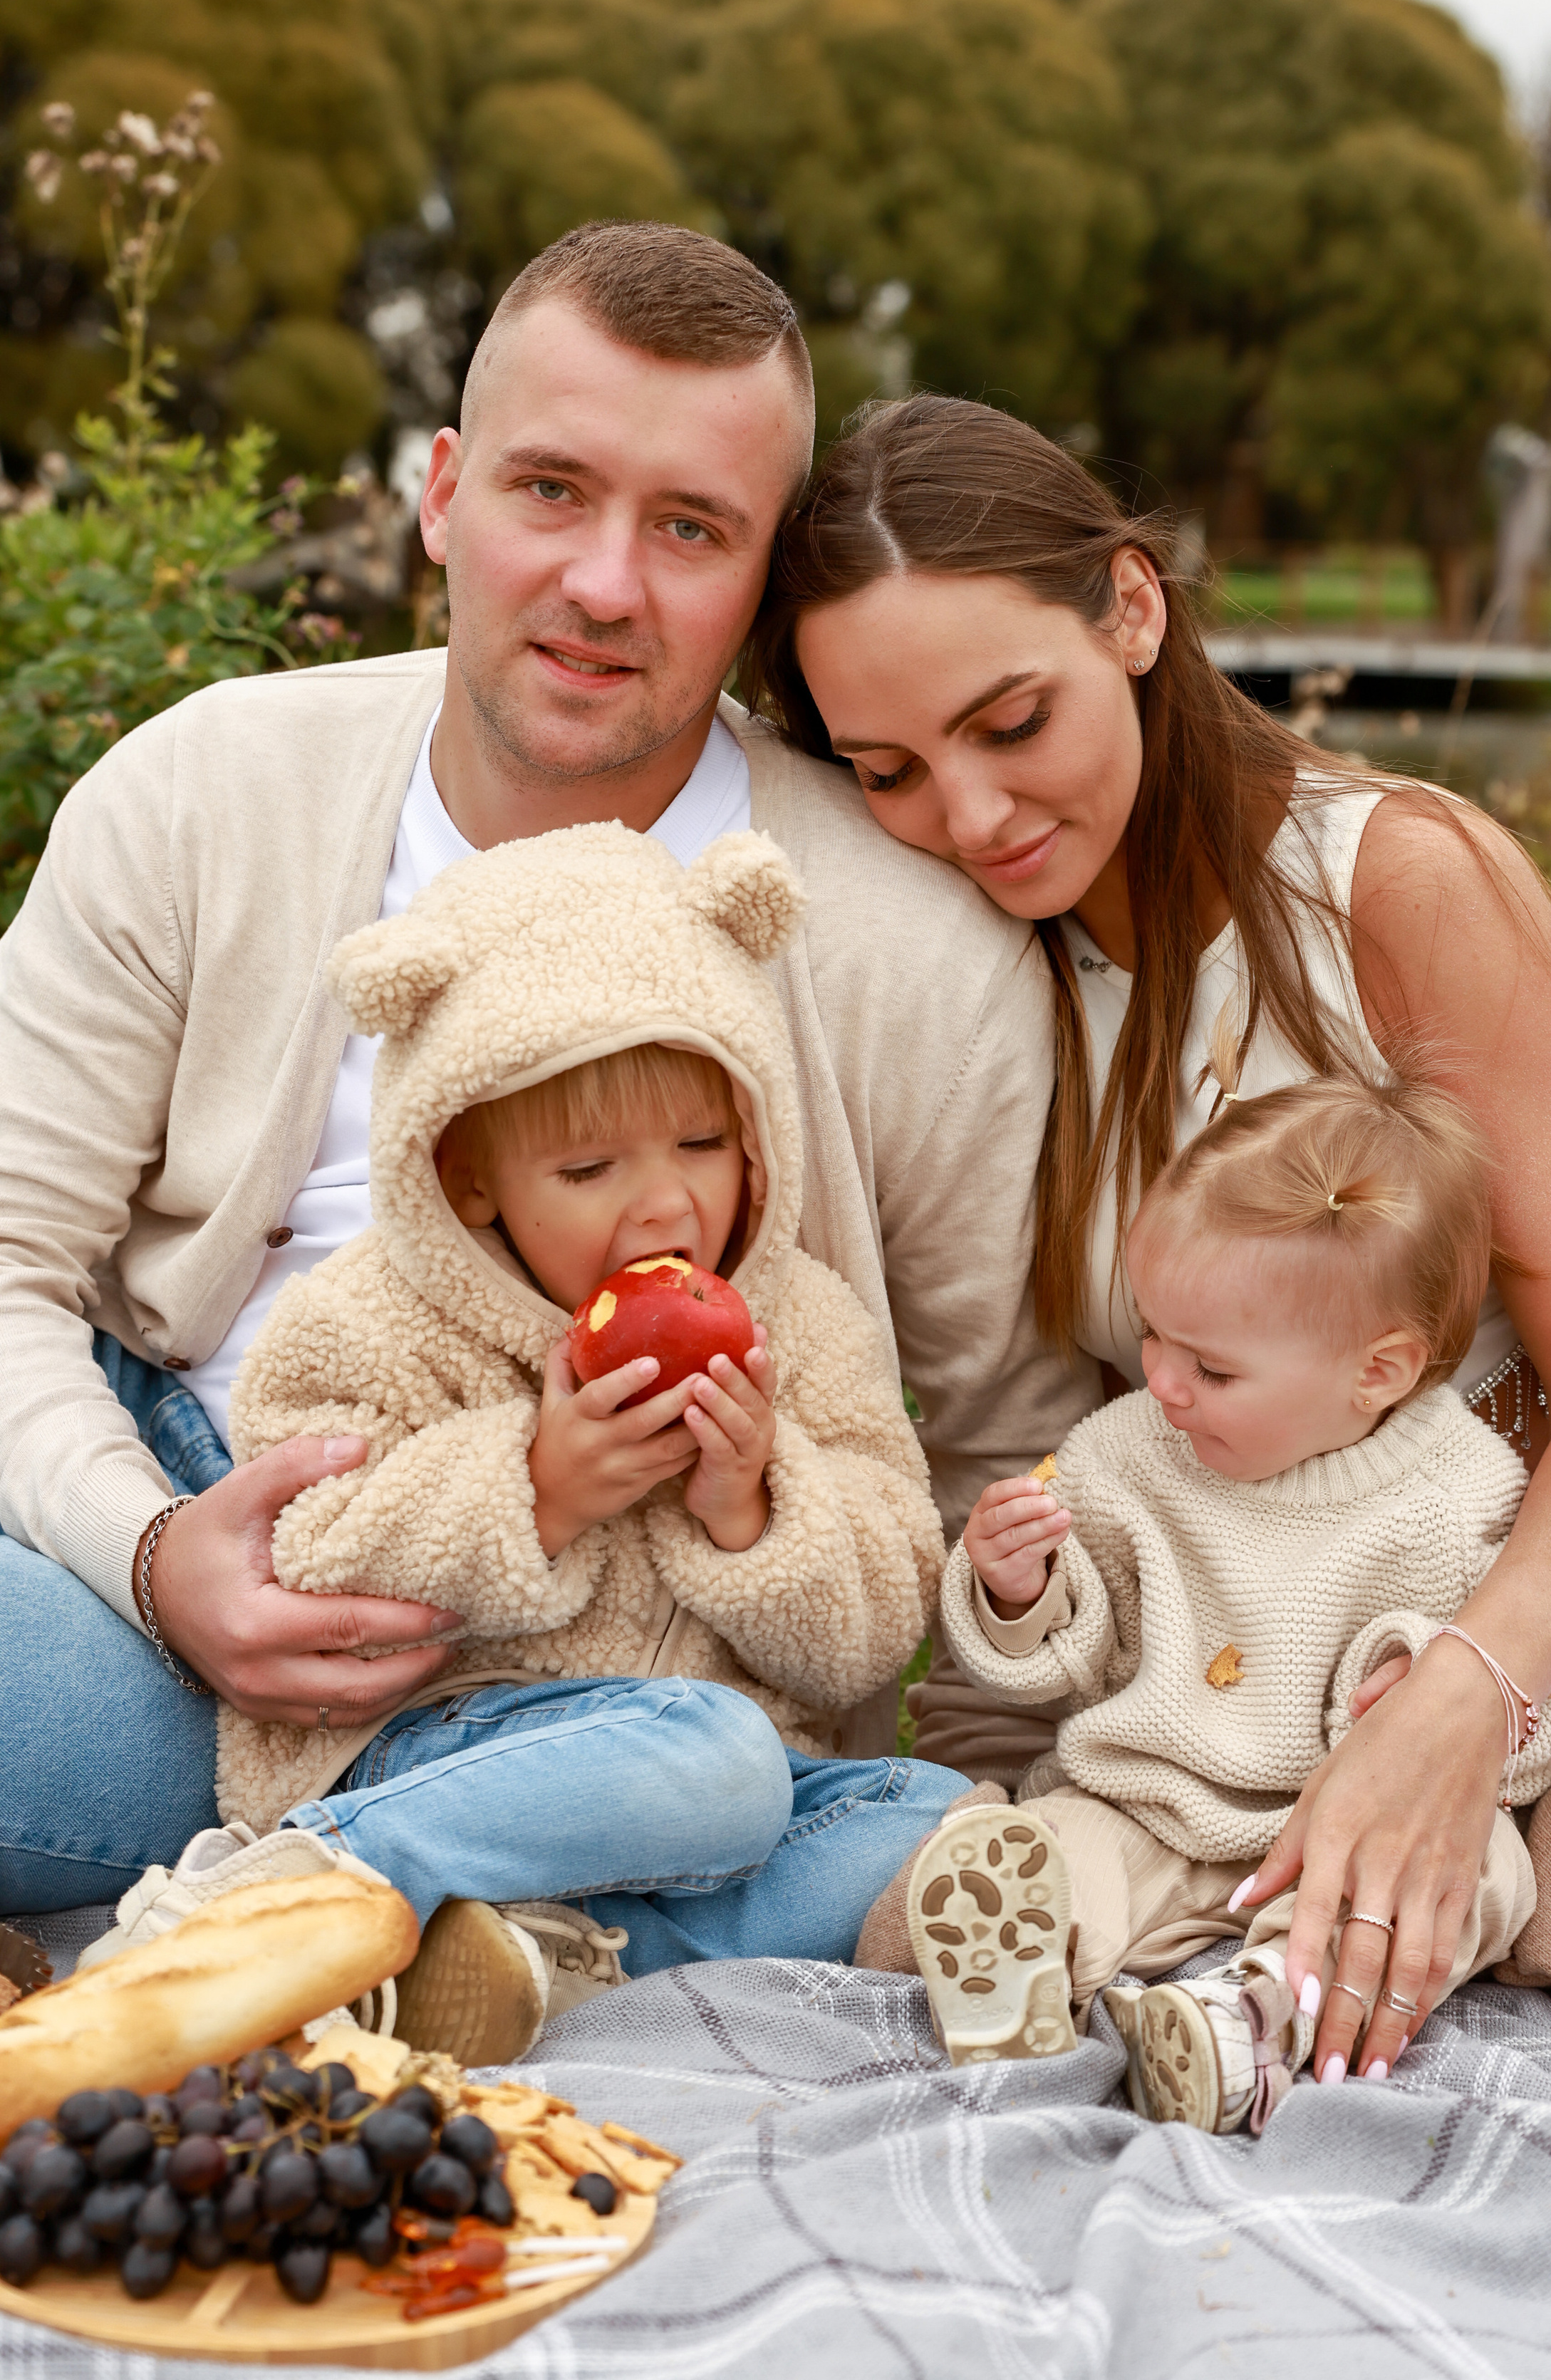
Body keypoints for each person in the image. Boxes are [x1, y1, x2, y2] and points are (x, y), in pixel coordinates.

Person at [0, 227, 1096, 1917]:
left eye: (690, 528)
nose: (603, 584)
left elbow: (1000, 1463)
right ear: (442, 494)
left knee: (839, 1823)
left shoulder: (911, 955)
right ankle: (445, 1901)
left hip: (638, 1699)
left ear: (762, 586)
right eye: (549, 491)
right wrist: (157, 1563)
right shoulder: (207, 794)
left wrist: (968, 1789)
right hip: (170, 1600)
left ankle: (364, 1899)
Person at [743, 391, 1551, 2079]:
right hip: (1301, 1628)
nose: (969, 813)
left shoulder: (1389, 885)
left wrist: (1457, 1704)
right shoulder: (993, 954)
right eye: (886, 772)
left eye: (1009, 722)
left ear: (1131, 607)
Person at [85, 820, 962, 2062]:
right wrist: (534, 1491)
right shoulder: (371, 1320)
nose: (667, 1204)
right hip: (442, 1749)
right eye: (591, 1167)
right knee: (718, 1759)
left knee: (926, 1819)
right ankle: (288, 1893)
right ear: (469, 1175)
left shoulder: (803, 1327)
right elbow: (305, 1553)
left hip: (700, 1815)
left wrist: (755, 1510)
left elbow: (874, 1628)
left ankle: (528, 1958)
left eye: (704, 1144)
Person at [888, 1066, 1551, 2131]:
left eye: (1212, 1369)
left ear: (1379, 1372)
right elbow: (1078, 1658)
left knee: (1476, 1876)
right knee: (1057, 1842)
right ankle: (1021, 1968)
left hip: (1349, 1833)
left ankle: (1257, 2017)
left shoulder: (1463, 1493)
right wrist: (1021, 1587)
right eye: (1152, 1335)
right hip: (1150, 1801)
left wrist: (1422, 1666)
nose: (1162, 1382)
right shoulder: (1128, 1455)